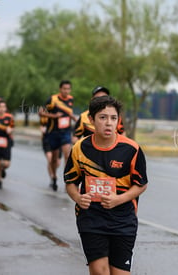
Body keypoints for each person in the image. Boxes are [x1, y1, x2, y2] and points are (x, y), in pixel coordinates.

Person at [64, 96, 148, 275]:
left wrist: (118, 199)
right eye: (102, 118)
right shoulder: (79, 148)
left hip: (123, 219)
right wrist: (78, 197)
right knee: (100, 272)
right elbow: (70, 182)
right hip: (91, 218)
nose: (108, 123)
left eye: (113, 118)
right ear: (92, 120)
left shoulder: (131, 149)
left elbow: (141, 184)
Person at [39, 80, 76, 191]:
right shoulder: (52, 99)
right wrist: (54, 116)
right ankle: (54, 177)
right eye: (64, 89)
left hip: (65, 132)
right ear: (60, 89)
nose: (66, 91)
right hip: (53, 132)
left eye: (68, 89)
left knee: (67, 156)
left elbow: (68, 113)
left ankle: (67, 181)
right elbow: (41, 112)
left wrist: (74, 118)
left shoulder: (70, 99)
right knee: (54, 159)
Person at [38, 107, 61, 187]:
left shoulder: (57, 114)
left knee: (57, 162)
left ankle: (53, 173)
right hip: (47, 139)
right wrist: (42, 130)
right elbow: (41, 124)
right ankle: (52, 177)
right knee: (49, 158)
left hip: (57, 139)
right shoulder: (44, 116)